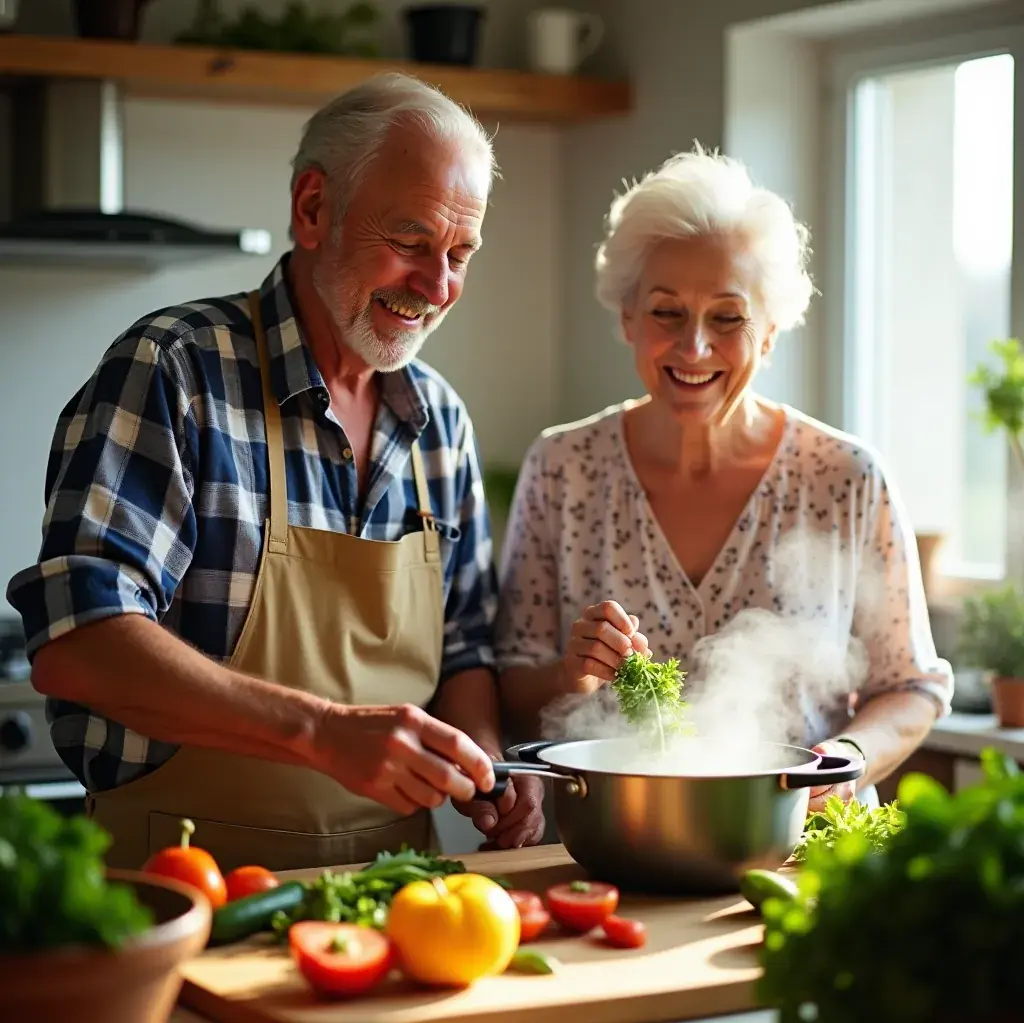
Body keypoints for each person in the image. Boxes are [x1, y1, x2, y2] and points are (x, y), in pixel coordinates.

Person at [7, 72, 545, 871]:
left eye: (459, 253)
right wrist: (323, 733)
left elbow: (464, 649)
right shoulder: (175, 370)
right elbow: (78, 642)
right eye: (410, 241)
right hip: (180, 887)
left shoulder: (440, 425)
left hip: (392, 902)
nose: (437, 288)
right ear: (314, 208)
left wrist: (488, 765)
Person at [494, 145, 953, 811]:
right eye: (666, 312)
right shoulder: (563, 471)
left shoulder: (846, 478)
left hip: (801, 850)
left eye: (728, 317)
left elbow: (912, 687)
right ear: (628, 318)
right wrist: (572, 674)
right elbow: (509, 687)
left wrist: (844, 763)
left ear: (769, 332)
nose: (695, 347)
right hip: (614, 849)